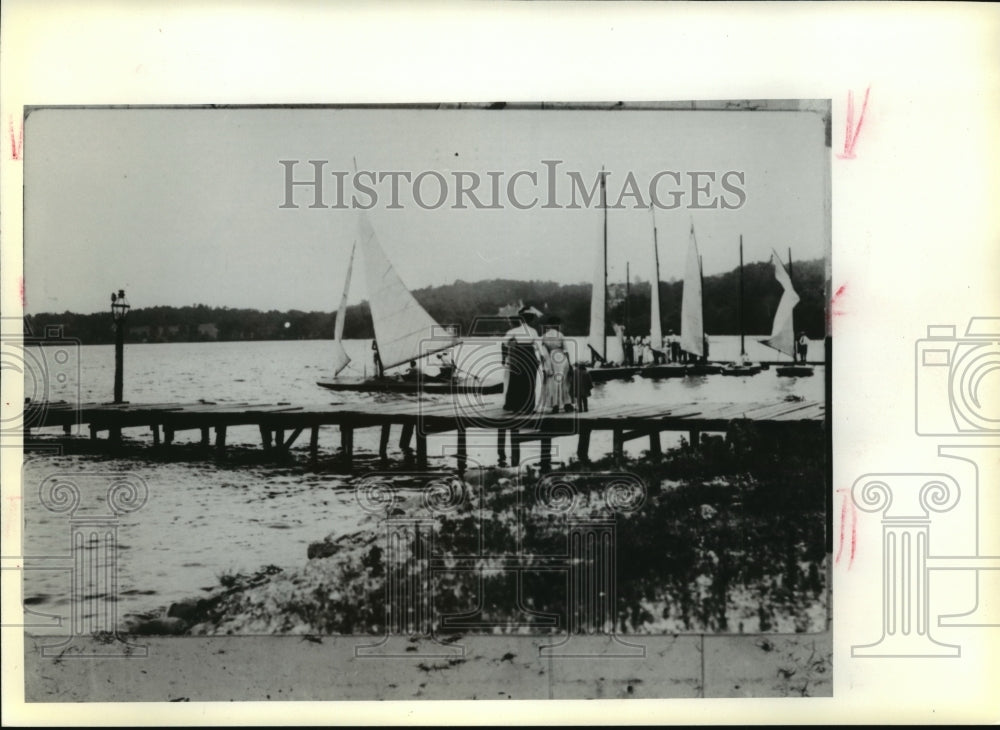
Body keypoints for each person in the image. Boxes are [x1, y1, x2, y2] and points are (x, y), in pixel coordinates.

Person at [502, 305, 543, 414]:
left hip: (518, 355)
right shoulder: (533, 331)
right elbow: (538, 346)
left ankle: (516, 407)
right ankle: (529, 407)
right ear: (530, 320)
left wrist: (513, 343)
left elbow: (505, 342)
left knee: (517, 381)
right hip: (530, 355)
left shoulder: (514, 331)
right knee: (530, 382)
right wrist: (539, 359)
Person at [540, 316, 574, 413]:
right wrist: (570, 363)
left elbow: (543, 353)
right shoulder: (560, 335)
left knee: (553, 381)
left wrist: (545, 365)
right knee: (565, 381)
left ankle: (555, 404)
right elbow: (566, 350)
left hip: (551, 357)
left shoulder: (544, 336)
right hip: (561, 357)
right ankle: (567, 403)